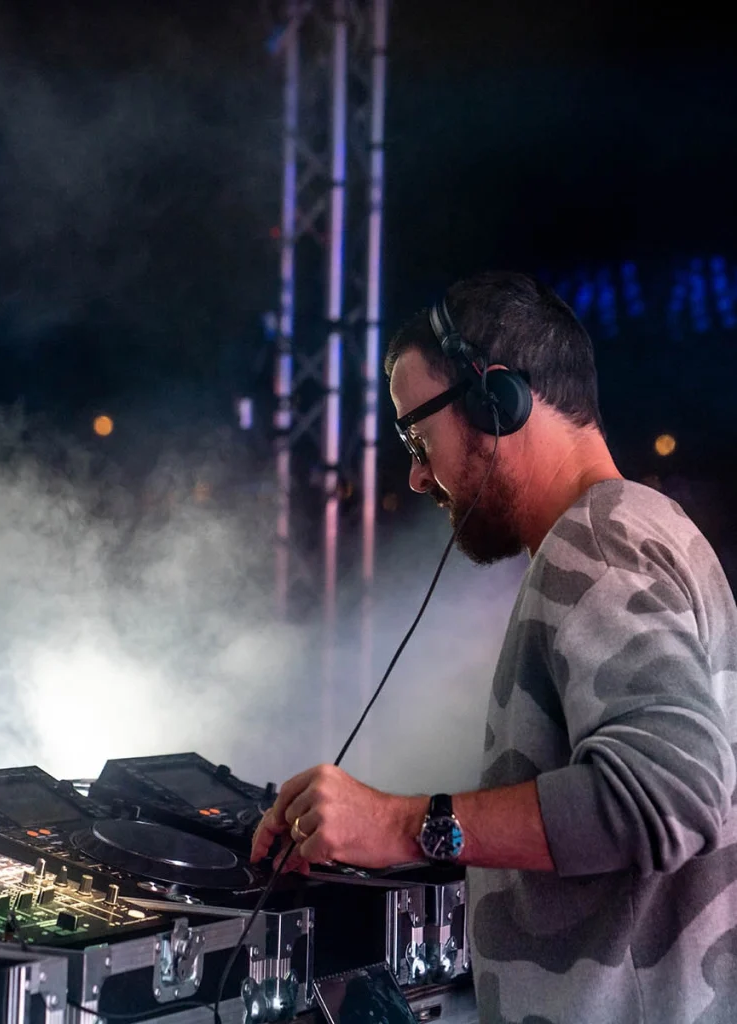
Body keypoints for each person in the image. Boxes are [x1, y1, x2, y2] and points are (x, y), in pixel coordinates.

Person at [251, 271, 737, 1024]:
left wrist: (398, 825)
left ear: (497, 400)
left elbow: (671, 792)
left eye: (418, 438)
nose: (417, 476)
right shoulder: (646, 527)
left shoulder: (598, 541)